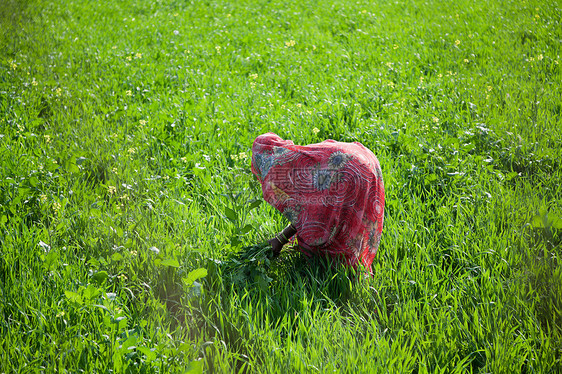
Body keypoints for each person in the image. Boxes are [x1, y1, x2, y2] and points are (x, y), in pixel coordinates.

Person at [251, 132, 385, 273]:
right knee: (351, 219)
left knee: (327, 232)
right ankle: (353, 263)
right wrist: (281, 238)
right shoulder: (303, 153)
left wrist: (281, 239)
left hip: (348, 171)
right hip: (366, 161)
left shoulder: (287, 171)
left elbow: (313, 217)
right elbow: (307, 210)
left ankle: (338, 271)